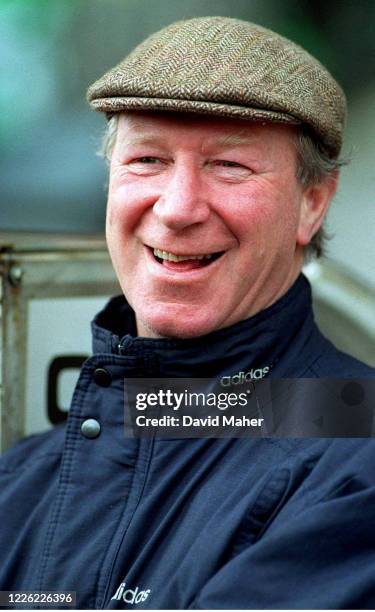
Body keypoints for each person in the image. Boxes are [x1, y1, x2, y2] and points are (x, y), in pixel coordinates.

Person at [0, 16, 374, 610]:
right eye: (147, 160)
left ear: (312, 204)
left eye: (230, 166)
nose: (177, 209)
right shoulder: (21, 480)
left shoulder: (357, 458)